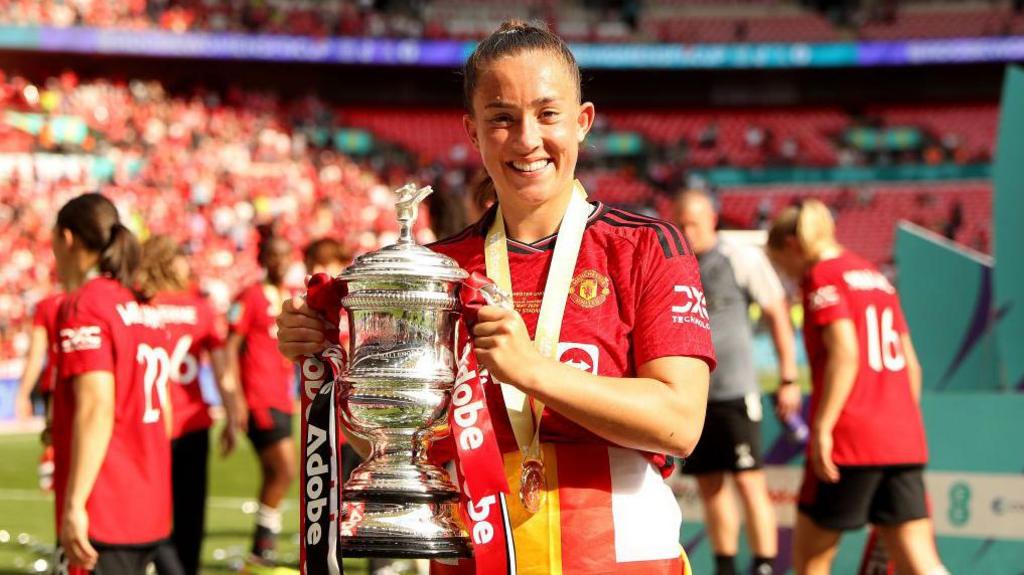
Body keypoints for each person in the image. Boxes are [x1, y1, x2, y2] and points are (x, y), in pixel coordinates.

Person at [277, 20, 715, 574]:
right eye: (502, 118)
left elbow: (679, 423)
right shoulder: (439, 271)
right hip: (474, 557)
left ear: (583, 122)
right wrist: (323, 359)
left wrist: (534, 372)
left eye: (548, 114)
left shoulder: (644, 247)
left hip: (621, 558)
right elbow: (399, 447)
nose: (527, 139)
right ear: (473, 131)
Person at [765, 200, 948, 575]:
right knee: (919, 558)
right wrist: (897, 424)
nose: (784, 274)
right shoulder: (875, 276)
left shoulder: (822, 276)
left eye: (779, 263)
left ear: (791, 246)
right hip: (901, 437)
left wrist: (821, 427)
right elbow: (912, 365)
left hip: (850, 440)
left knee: (811, 557)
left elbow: (845, 353)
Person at [673, 190, 800, 575]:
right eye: (680, 222)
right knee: (710, 486)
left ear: (712, 219)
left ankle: (763, 565)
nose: (686, 230)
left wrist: (789, 376)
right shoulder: (674, 264)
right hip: (693, 397)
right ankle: (725, 565)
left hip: (735, 392)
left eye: (692, 222)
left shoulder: (739, 258)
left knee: (749, 481)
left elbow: (778, 311)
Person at [50, 193, 172, 574]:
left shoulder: (85, 304)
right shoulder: (141, 306)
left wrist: (74, 504)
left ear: (67, 238)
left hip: (106, 505)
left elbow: (96, 407)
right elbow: (163, 412)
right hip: (149, 502)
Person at [138, 235, 247, 575]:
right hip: (191, 425)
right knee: (190, 515)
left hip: (149, 423)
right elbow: (221, 371)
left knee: (147, 514)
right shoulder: (198, 308)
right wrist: (231, 416)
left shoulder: (141, 307)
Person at [226, 224, 299, 566]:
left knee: (278, 473)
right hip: (258, 397)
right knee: (284, 469)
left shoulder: (285, 294)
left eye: (285, 255)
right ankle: (262, 547)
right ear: (262, 259)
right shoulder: (250, 297)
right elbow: (230, 348)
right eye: (274, 255)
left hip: (281, 398)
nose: (280, 261)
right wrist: (235, 399)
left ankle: (261, 548)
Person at [14, 287, 65, 491]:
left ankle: (51, 480)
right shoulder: (96, 300)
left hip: (56, 384)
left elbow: (36, 356)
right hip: (87, 380)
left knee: (53, 440)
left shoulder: (47, 305)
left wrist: (23, 394)